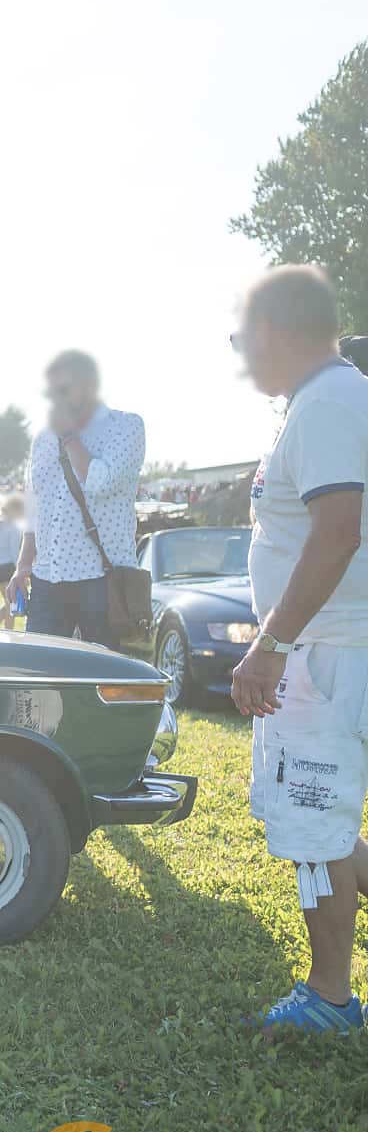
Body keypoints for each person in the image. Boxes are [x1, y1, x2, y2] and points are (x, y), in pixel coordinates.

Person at [229, 265, 368, 1033]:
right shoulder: (332, 399)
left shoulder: (326, 405)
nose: (239, 352)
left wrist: (273, 644)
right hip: (336, 645)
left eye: (240, 336)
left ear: (273, 331)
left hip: (324, 652)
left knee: (313, 827)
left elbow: (338, 531)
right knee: (327, 815)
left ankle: (330, 998)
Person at [4, 350, 146, 649]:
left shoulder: (126, 426)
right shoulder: (43, 437)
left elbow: (100, 483)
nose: (55, 398)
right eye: (50, 391)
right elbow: (34, 506)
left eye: (63, 389)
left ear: (90, 385)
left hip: (102, 580)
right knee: (38, 674)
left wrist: (69, 436)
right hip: (47, 577)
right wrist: (23, 564)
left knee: (100, 679)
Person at [0, 494, 27, 630]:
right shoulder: (14, 528)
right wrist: (20, 571)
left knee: (7, 600)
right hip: (9, 567)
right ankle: (8, 631)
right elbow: (14, 552)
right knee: (11, 602)